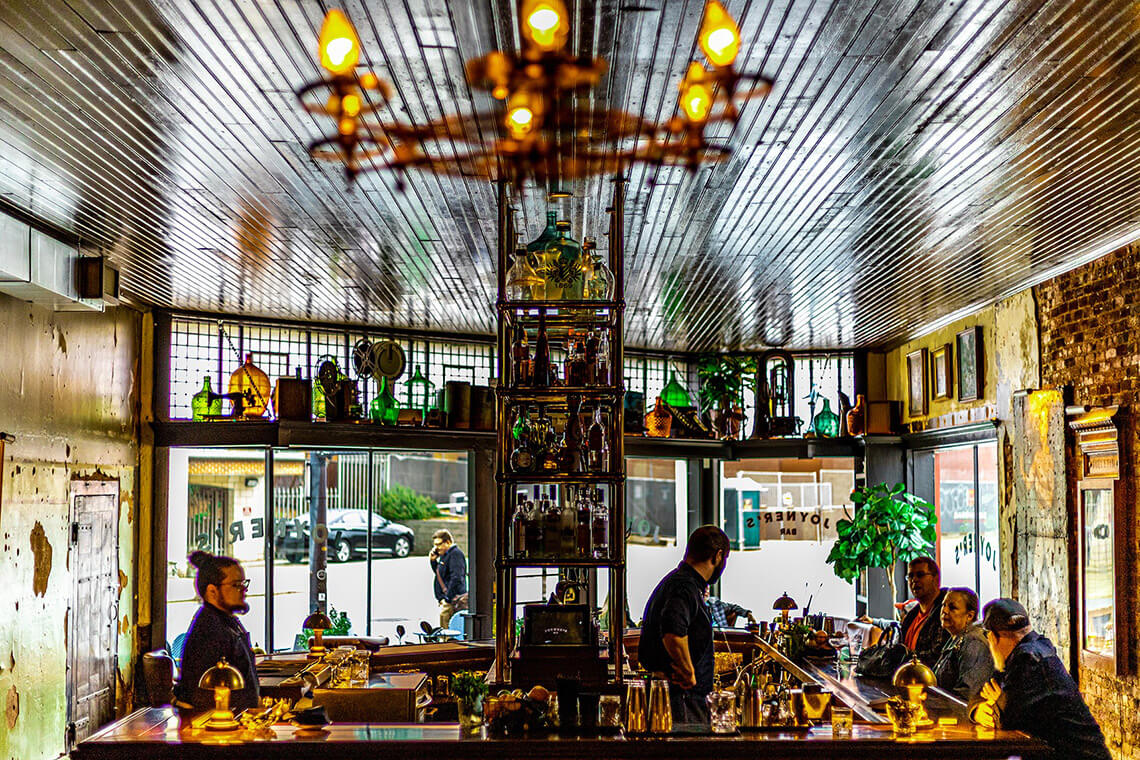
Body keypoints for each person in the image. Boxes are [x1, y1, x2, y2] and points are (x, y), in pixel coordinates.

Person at [969, 598, 1110, 760]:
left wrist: (1000, 703)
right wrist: (978, 711)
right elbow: (980, 693)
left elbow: (1007, 718)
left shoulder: (1029, 658)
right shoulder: (1021, 654)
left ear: (993, 637)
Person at [639, 525, 731, 726]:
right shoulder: (685, 586)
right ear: (718, 556)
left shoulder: (678, 582)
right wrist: (688, 671)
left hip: (677, 699)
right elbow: (673, 629)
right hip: (682, 702)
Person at [172, 551, 259, 714]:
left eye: (244, 584)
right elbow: (203, 697)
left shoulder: (226, 621)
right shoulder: (209, 631)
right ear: (212, 591)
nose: (243, 590)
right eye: (236, 585)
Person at [932, 587, 993, 701]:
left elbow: (967, 695)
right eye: (943, 605)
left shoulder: (974, 643)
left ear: (969, 616)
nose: (944, 611)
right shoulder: (957, 637)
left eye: (952, 608)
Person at [430, 529, 467, 629]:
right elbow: (440, 575)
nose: (436, 548)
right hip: (449, 599)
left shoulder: (455, 554)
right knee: (445, 625)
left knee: (447, 628)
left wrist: (447, 598)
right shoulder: (445, 555)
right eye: (435, 545)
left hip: (453, 599)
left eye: (439, 544)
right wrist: (433, 562)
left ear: (448, 542)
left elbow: (456, 578)